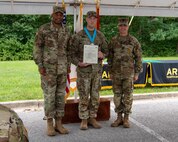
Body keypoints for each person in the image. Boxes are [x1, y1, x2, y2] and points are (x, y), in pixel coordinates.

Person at [33, 5, 71, 136]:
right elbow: (37, 47)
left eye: (61, 15)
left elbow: (68, 49)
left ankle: (59, 123)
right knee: (49, 96)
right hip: (48, 69)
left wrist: (68, 65)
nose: (59, 17)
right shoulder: (44, 29)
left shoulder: (66, 30)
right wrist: (40, 64)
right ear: (52, 14)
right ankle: (49, 123)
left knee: (60, 96)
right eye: (57, 14)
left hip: (62, 69)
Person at [70, 11, 108, 130]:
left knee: (95, 95)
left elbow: (107, 52)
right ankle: (84, 119)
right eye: (90, 18)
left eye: (94, 18)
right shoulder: (79, 35)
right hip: (83, 71)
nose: (92, 20)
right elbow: (71, 54)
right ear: (86, 19)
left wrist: (103, 54)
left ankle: (92, 117)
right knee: (84, 95)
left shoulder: (100, 36)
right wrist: (78, 63)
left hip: (96, 72)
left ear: (96, 20)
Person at [107, 18, 143, 128]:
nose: (123, 27)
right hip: (116, 73)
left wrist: (137, 73)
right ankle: (119, 117)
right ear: (118, 27)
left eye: (125, 26)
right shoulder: (113, 41)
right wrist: (111, 71)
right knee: (117, 96)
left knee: (128, 96)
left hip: (128, 73)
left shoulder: (133, 41)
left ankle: (126, 118)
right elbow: (110, 57)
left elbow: (139, 57)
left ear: (128, 27)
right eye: (121, 26)